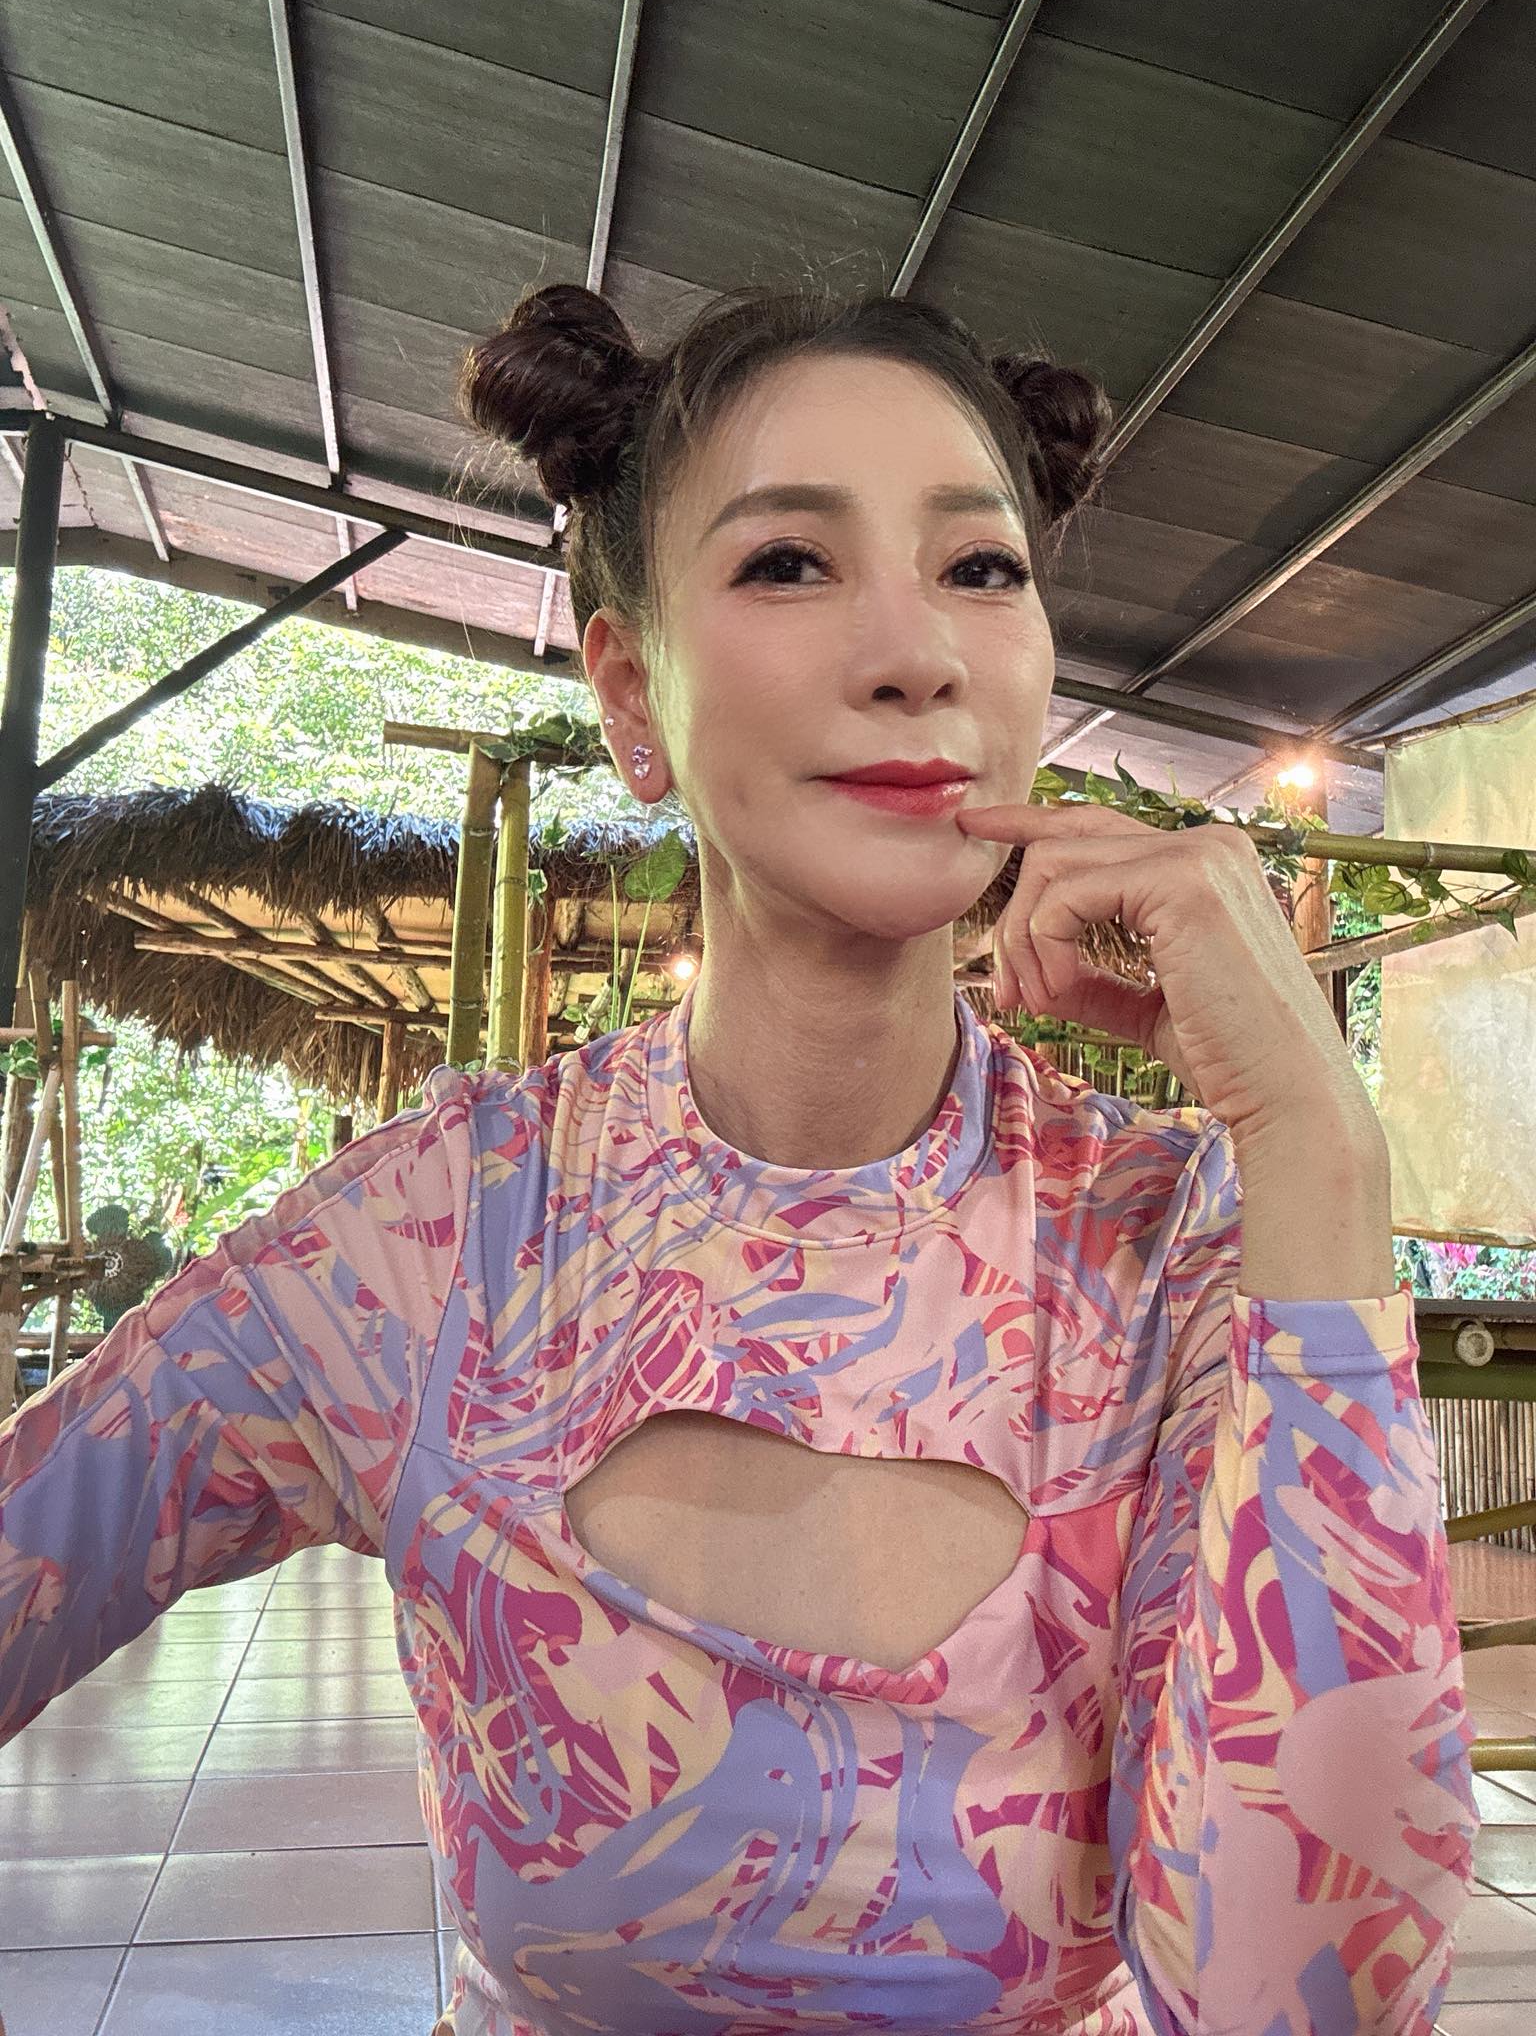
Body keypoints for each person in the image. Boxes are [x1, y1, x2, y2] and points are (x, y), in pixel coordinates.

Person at [0, 281, 1477, 2036]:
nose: (917, 652)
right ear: (633, 690)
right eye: (788, 562)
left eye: (979, 567)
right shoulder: (437, 1237)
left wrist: (1321, 1149)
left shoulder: (1174, 1246)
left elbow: (1298, 2004)